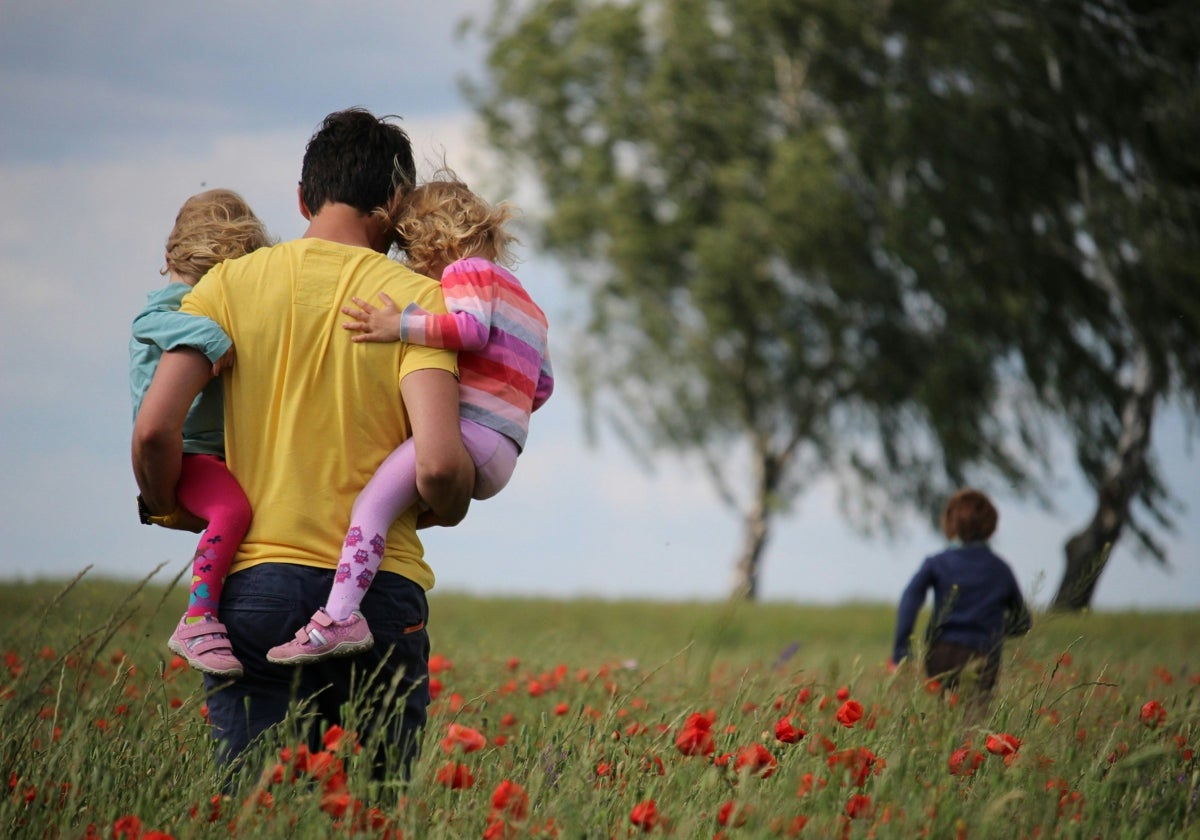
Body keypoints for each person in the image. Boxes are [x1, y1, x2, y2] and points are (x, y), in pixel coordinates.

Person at [131, 108, 476, 777]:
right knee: (372, 813)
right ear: (397, 203)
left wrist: (166, 500)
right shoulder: (418, 304)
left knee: (260, 807)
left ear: (302, 198)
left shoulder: (227, 286)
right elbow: (436, 464)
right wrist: (453, 499)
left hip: (254, 589)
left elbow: (153, 428)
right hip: (378, 595)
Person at [267, 175, 554, 665]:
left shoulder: (466, 273)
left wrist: (397, 324)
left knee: (370, 508)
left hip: (469, 435)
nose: (413, 265)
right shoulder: (528, 303)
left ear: (433, 241)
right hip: (505, 449)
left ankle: (339, 617)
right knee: (398, 505)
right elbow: (542, 386)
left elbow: (468, 329)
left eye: (411, 250)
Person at [130, 189, 271, 678]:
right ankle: (199, 618)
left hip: (211, 452)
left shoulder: (198, 299)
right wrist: (212, 336)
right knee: (232, 510)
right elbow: (148, 322)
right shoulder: (175, 305)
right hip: (187, 452)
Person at [890, 488, 1032, 706]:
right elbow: (1023, 622)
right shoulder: (1001, 569)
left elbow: (910, 598)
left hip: (941, 652)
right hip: (983, 654)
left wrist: (901, 650)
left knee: (944, 720)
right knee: (973, 721)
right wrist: (992, 628)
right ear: (990, 526)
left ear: (950, 523)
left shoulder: (938, 563)